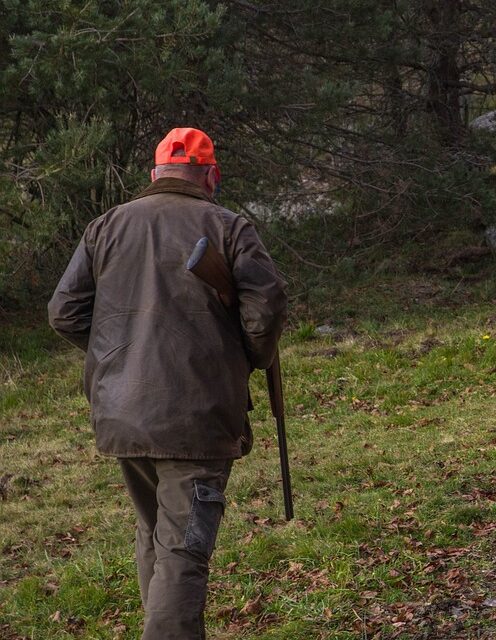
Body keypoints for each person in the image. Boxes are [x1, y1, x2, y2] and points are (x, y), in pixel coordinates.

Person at [48, 127, 287, 638]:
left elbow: (64, 313)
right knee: (183, 550)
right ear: (211, 175)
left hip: (122, 415)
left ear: (155, 174)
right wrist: (247, 358)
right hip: (195, 419)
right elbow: (264, 313)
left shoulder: (106, 226)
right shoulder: (229, 226)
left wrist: (119, 357)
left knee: (156, 532)